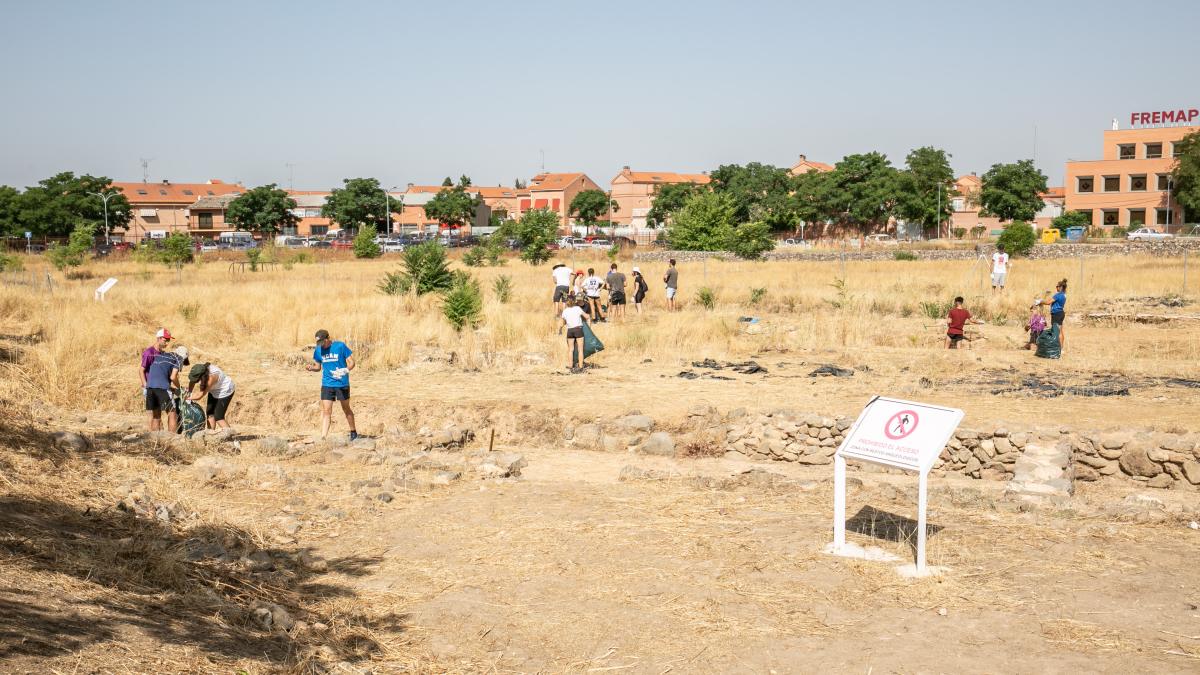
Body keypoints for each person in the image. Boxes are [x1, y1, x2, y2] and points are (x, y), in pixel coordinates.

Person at [305, 329, 357, 441]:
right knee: (326, 410)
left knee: (346, 408)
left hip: (341, 383)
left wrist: (345, 370)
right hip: (327, 383)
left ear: (328, 338)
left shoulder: (340, 346)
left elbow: (352, 363)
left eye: (322, 342)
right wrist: (311, 368)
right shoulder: (318, 350)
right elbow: (318, 367)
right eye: (319, 343)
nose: (321, 345)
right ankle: (323, 437)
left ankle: (353, 432)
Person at [144, 343, 187, 431]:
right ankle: (172, 439)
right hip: (162, 388)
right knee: (172, 413)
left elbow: (160, 379)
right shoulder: (179, 358)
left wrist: (172, 389)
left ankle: (156, 440)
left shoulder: (161, 356)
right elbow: (173, 377)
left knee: (156, 416)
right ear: (184, 356)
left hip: (149, 388)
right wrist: (180, 388)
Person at [186, 362, 236, 429]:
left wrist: (186, 398)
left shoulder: (211, 378)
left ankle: (232, 437)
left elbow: (200, 396)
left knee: (218, 417)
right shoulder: (200, 369)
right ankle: (210, 434)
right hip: (215, 389)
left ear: (202, 376)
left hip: (225, 390)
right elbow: (192, 381)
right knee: (210, 414)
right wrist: (189, 392)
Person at [140, 328, 172, 427]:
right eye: (165, 340)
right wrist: (145, 386)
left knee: (158, 413)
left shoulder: (162, 353)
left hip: (160, 386)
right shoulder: (149, 352)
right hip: (150, 386)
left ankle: (158, 436)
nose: (167, 343)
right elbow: (141, 370)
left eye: (168, 340)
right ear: (158, 338)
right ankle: (151, 438)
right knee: (152, 413)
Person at [560, 296, 589, 373]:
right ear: (574, 301)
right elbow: (586, 316)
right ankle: (580, 367)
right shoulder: (577, 308)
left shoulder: (565, 311)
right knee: (580, 349)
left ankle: (570, 366)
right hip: (578, 329)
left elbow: (563, 323)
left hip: (570, 330)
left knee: (570, 349)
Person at [1050, 279, 1068, 351]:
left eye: (1057, 286)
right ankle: (1061, 348)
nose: (1056, 288)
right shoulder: (1064, 295)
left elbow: (1048, 302)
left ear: (1060, 287)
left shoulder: (1058, 295)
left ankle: (1059, 349)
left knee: (1057, 331)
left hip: (1056, 314)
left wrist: (1041, 301)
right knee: (1060, 331)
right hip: (1060, 313)